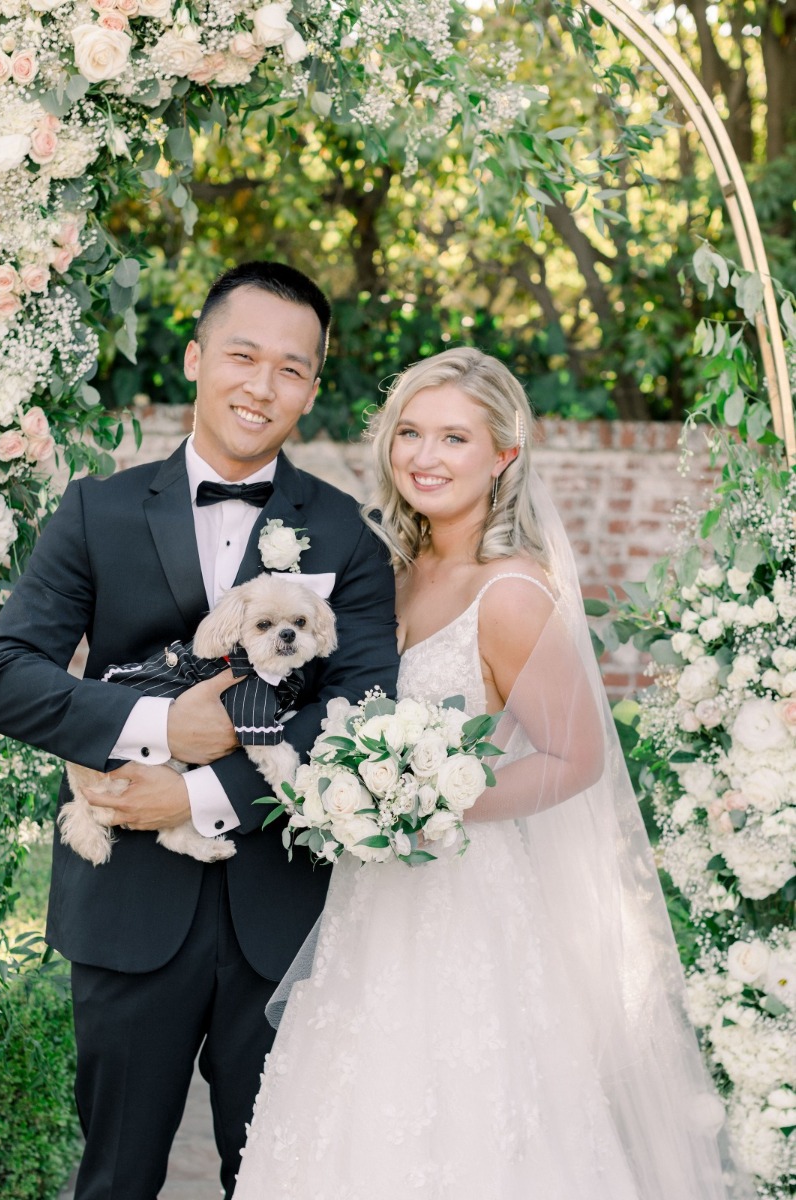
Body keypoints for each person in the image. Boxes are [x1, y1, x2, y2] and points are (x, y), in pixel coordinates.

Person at [234, 347, 744, 1200]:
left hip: (463, 901)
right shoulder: (385, 574)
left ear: (503, 456)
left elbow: (575, 758)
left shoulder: (509, 592)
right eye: (410, 433)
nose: (424, 457)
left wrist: (427, 805)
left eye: (454, 438)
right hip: (369, 900)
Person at [0, 261, 400, 1200]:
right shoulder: (97, 510)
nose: (262, 385)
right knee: (115, 1178)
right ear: (197, 356)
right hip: (128, 908)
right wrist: (162, 724)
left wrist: (201, 791)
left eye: (291, 368)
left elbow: (359, 716)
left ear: (314, 387)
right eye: (243, 355)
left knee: (284, 1179)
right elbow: (6, 679)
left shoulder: (350, 534)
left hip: (284, 920)